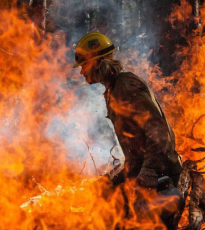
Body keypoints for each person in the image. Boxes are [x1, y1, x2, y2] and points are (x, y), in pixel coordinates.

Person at [73, 32, 184, 228]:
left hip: (161, 176)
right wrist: (114, 180)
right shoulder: (113, 90)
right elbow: (135, 152)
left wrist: (149, 171)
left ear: (97, 62)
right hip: (147, 173)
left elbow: (157, 130)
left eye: (84, 65)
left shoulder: (126, 86)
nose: (81, 72)